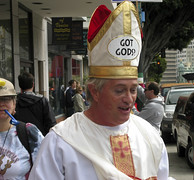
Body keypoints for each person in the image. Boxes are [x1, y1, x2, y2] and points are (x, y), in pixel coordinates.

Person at [29, 1, 169, 179]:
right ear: (94, 91)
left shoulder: (150, 137)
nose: (129, 98)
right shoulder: (61, 141)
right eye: (119, 90)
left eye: (133, 90)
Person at [0, 78, 43, 179]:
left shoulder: (29, 132)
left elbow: (46, 169)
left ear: (14, 104)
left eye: (6, 99)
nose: (1, 103)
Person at [14, 72, 56, 136]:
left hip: (21, 139)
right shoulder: (42, 100)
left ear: (20, 86)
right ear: (33, 84)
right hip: (40, 138)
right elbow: (51, 122)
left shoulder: (15, 102)